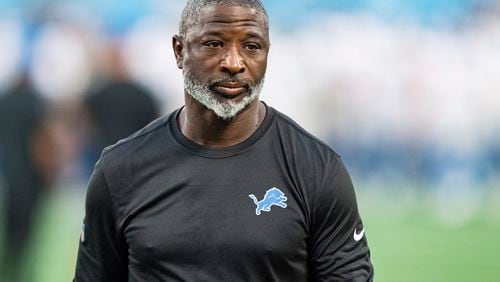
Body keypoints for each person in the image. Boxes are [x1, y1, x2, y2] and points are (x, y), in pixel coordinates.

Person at [74, 0, 373, 281]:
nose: (233, 62)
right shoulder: (119, 171)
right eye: (214, 43)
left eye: (252, 46)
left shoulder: (317, 170)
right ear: (179, 51)